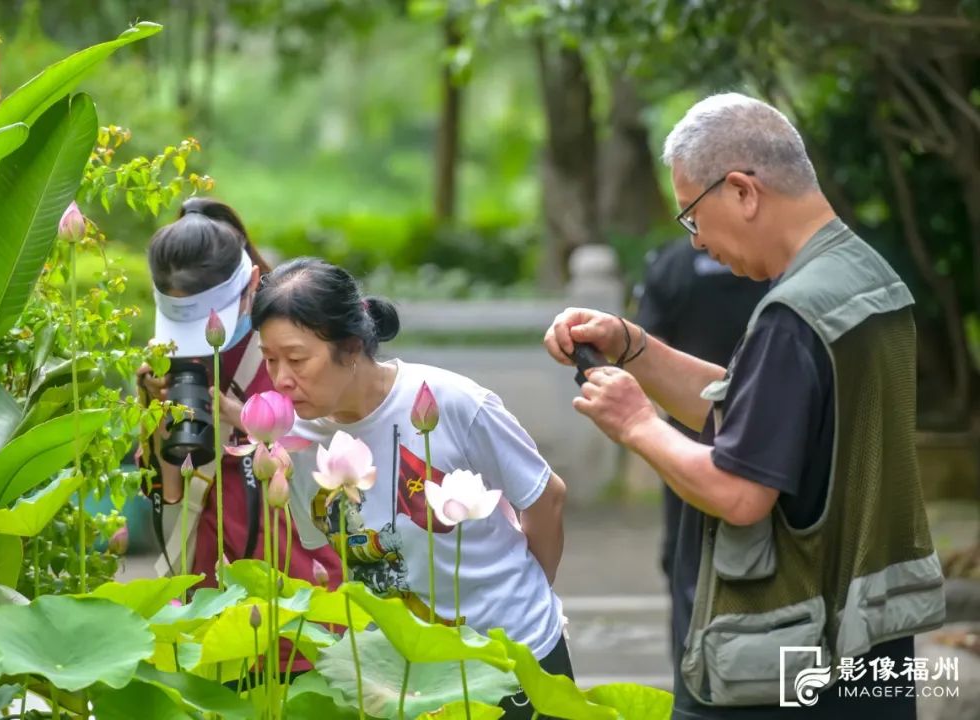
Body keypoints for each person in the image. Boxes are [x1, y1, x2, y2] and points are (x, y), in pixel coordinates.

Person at [544, 93, 945, 719]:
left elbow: (740, 491)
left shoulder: (792, 316)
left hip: (787, 656)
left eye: (692, 217)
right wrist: (633, 348)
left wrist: (637, 422)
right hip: (870, 644)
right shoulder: (865, 278)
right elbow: (758, 411)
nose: (697, 243)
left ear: (741, 191)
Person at [251, 257, 570, 720]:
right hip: (404, 677)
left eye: (297, 359)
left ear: (353, 346)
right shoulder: (294, 442)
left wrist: (531, 592)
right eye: (269, 359)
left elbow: (547, 496)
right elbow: (327, 550)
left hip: (513, 651)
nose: (280, 379)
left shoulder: (452, 403)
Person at [136, 198, 343, 674]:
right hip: (206, 605)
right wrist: (155, 410)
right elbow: (166, 493)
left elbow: (340, 461)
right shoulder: (170, 358)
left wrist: (250, 420)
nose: (200, 338)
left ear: (252, 284)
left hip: (297, 596)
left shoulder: (300, 345)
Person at [633, 238, 768, 661]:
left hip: (691, 430)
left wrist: (639, 425)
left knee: (687, 556)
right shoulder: (773, 260)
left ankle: (692, 669)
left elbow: (646, 349)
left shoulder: (671, 264)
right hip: (772, 423)